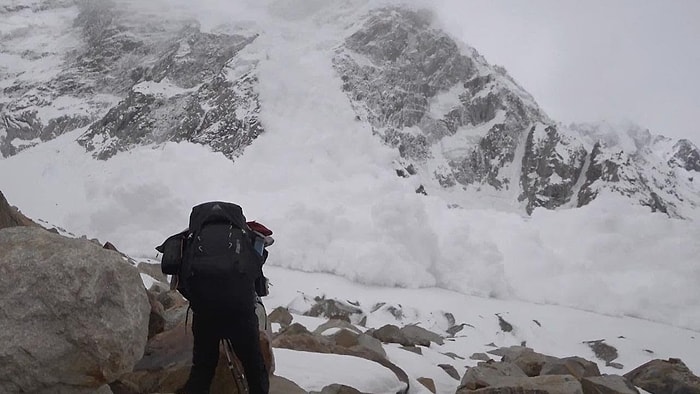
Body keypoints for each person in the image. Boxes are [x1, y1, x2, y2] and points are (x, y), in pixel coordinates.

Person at [172, 202, 272, 394]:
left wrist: (199, 300)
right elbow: (256, 276)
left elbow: (179, 278)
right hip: (240, 314)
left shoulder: (191, 238)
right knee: (254, 367)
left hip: (205, 314)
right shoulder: (248, 237)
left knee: (203, 368)